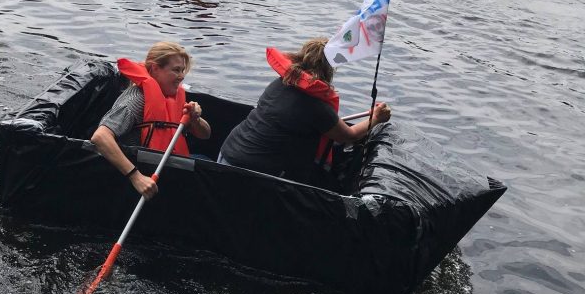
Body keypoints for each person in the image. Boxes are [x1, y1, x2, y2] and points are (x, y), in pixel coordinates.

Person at [217, 38, 391, 182]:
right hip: (250, 170)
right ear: (328, 69)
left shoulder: (279, 84)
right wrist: (375, 118)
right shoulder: (316, 106)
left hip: (226, 153)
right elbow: (348, 136)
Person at [91, 41, 211, 200]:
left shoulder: (172, 96)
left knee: (209, 163)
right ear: (155, 69)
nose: (182, 76)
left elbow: (205, 135)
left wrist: (196, 119)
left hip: (168, 165)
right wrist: (136, 177)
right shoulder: (136, 100)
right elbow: (100, 137)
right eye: (176, 70)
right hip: (143, 170)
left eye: (183, 70)